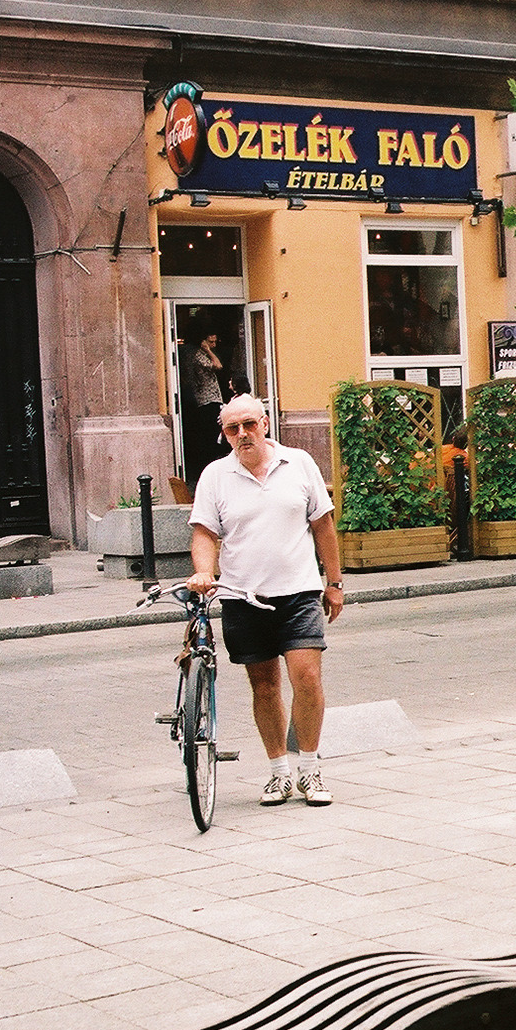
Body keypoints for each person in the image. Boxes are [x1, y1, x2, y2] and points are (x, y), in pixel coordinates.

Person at [188, 395, 344, 808]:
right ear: (225, 435)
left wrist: (335, 582)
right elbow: (204, 533)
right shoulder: (215, 476)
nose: (242, 434)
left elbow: (323, 524)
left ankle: (310, 770)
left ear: (265, 423)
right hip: (243, 595)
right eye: (231, 429)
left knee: (307, 679)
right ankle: (279, 773)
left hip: (299, 591)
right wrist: (205, 572)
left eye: (249, 425)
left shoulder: (299, 463)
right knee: (264, 686)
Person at [183, 329, 228, 484]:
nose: (214, 345)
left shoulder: (199, 354)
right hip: (207, 400)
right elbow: (218, 365)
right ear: (203, 342)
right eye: (211, 342)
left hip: (211, 399)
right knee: (212, 437)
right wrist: (208, 351)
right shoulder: (199, 355)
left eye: (215, 342)